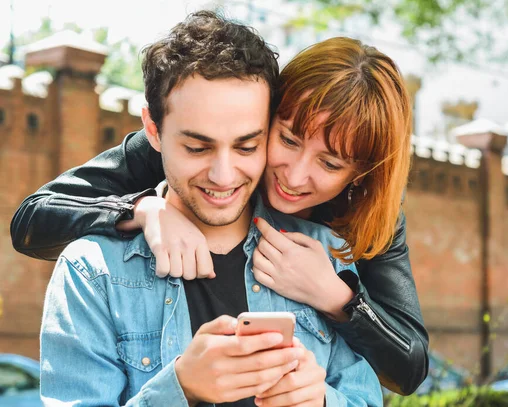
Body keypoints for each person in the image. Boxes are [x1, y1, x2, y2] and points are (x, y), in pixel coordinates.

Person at [12, 18, 429, 396]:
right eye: (287, 140)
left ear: (359, 174)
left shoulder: (349, 237)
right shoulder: (99, 267)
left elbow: (407, 368)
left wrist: (336, 298)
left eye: (330, 163)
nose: (295, 175)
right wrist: (143, 209)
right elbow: (34, 215)